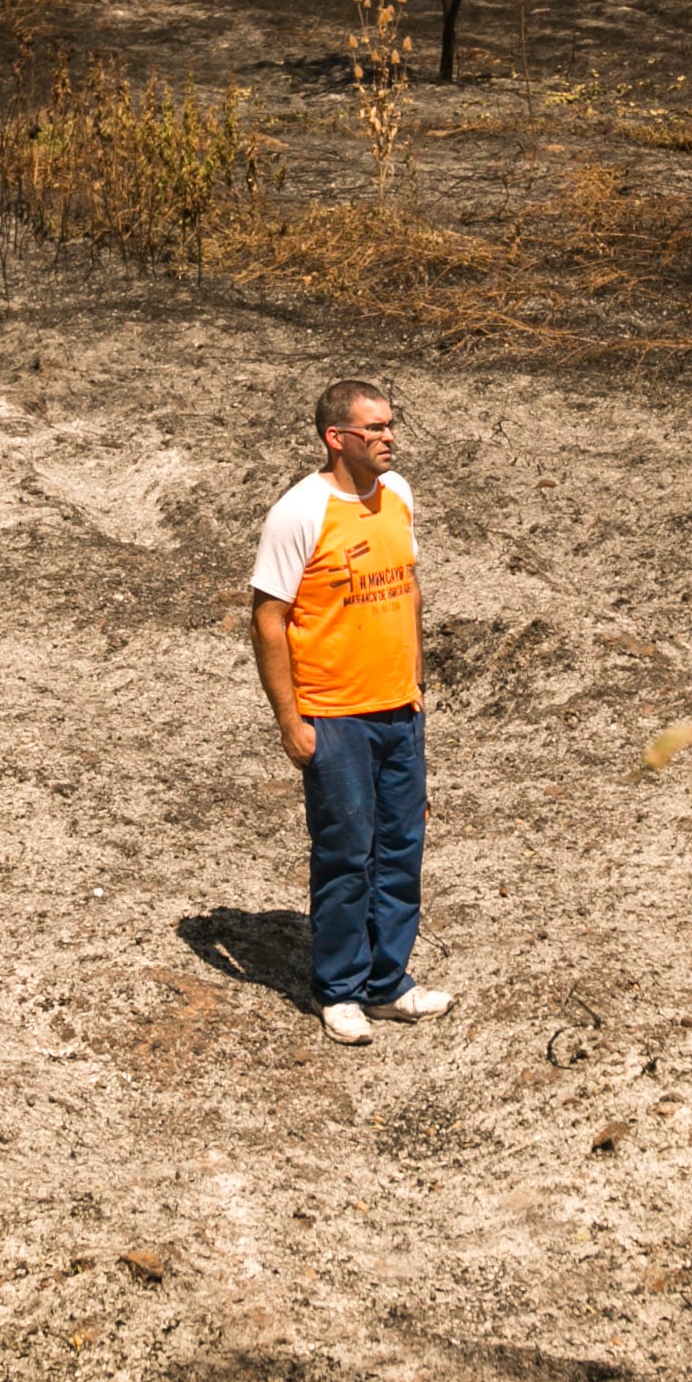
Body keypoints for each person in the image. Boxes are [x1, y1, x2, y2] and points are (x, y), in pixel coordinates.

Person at [248, 378, 452, 1046]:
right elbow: (268, 618)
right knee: (346, 854)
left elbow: (410, 591)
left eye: (392, 424)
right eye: (375, 428)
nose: (389, 437)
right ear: (338, 438)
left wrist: (416, 682)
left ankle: (388, 982)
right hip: (334, 717)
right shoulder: (300, 513)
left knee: (402, 849)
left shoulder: (398, 496)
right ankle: (337, 988)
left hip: (399, 710)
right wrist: (289, 719)